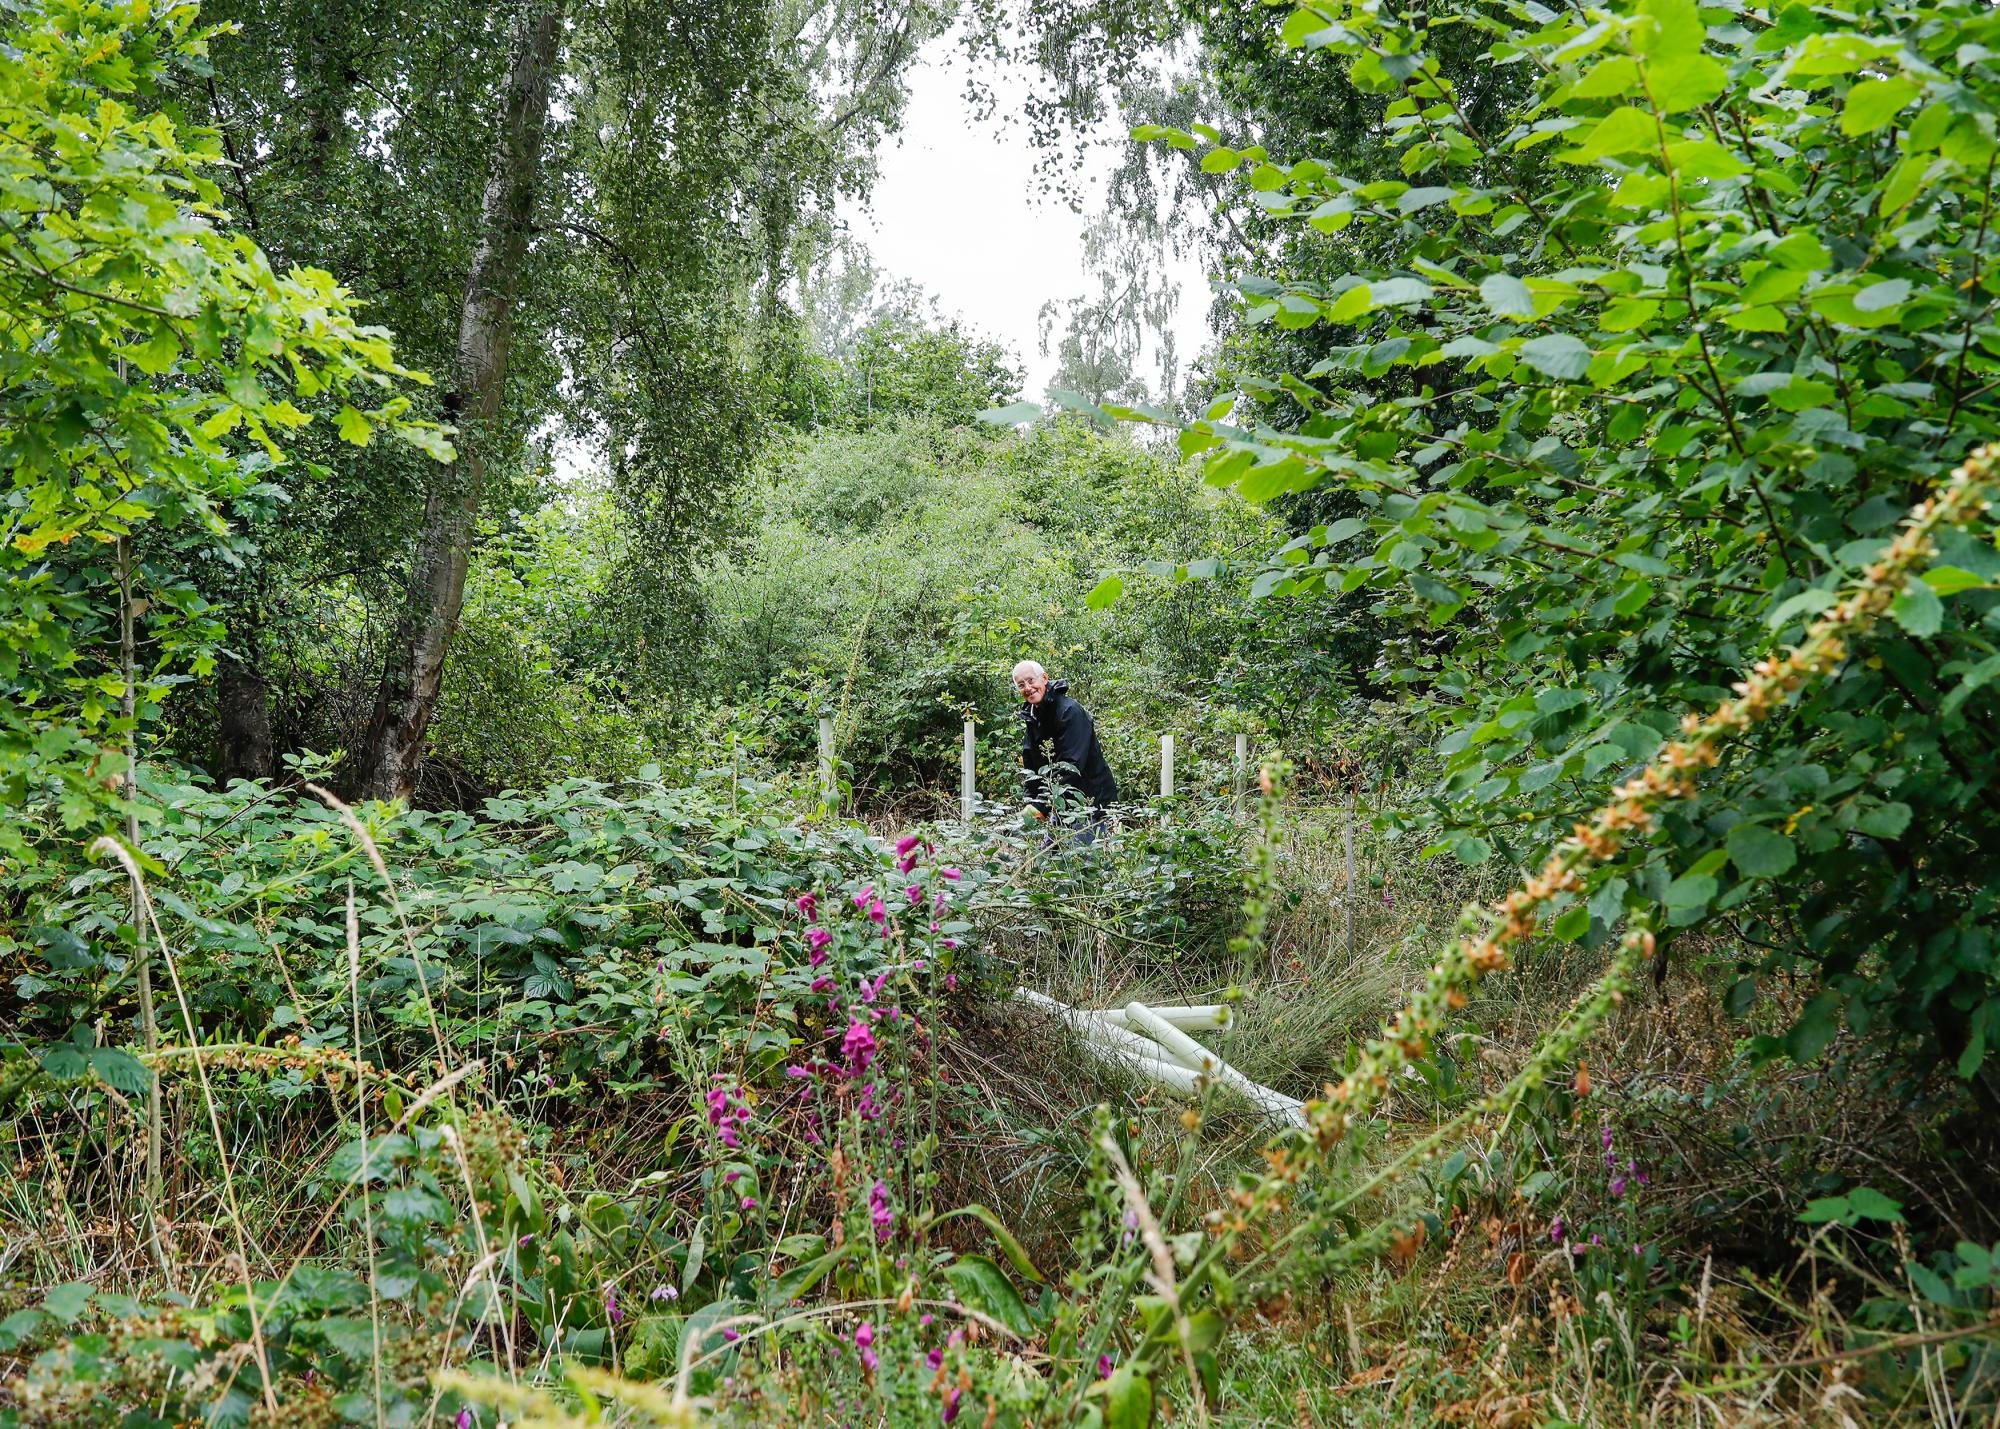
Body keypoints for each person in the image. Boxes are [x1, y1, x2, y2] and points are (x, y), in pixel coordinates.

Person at [1013, 659, 1118, 841]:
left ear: (1044, 678)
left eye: (1031, 681)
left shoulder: (1069, 712)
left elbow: (1071, 765)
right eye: (1021, 685)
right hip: (1061, 803)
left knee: (1079, 863)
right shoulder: (1033, 716)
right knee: (1048, 860)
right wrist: (1031, 801)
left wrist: (1041, 804)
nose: (1028, 688)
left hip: (1088, 804)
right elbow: (1031, 763)